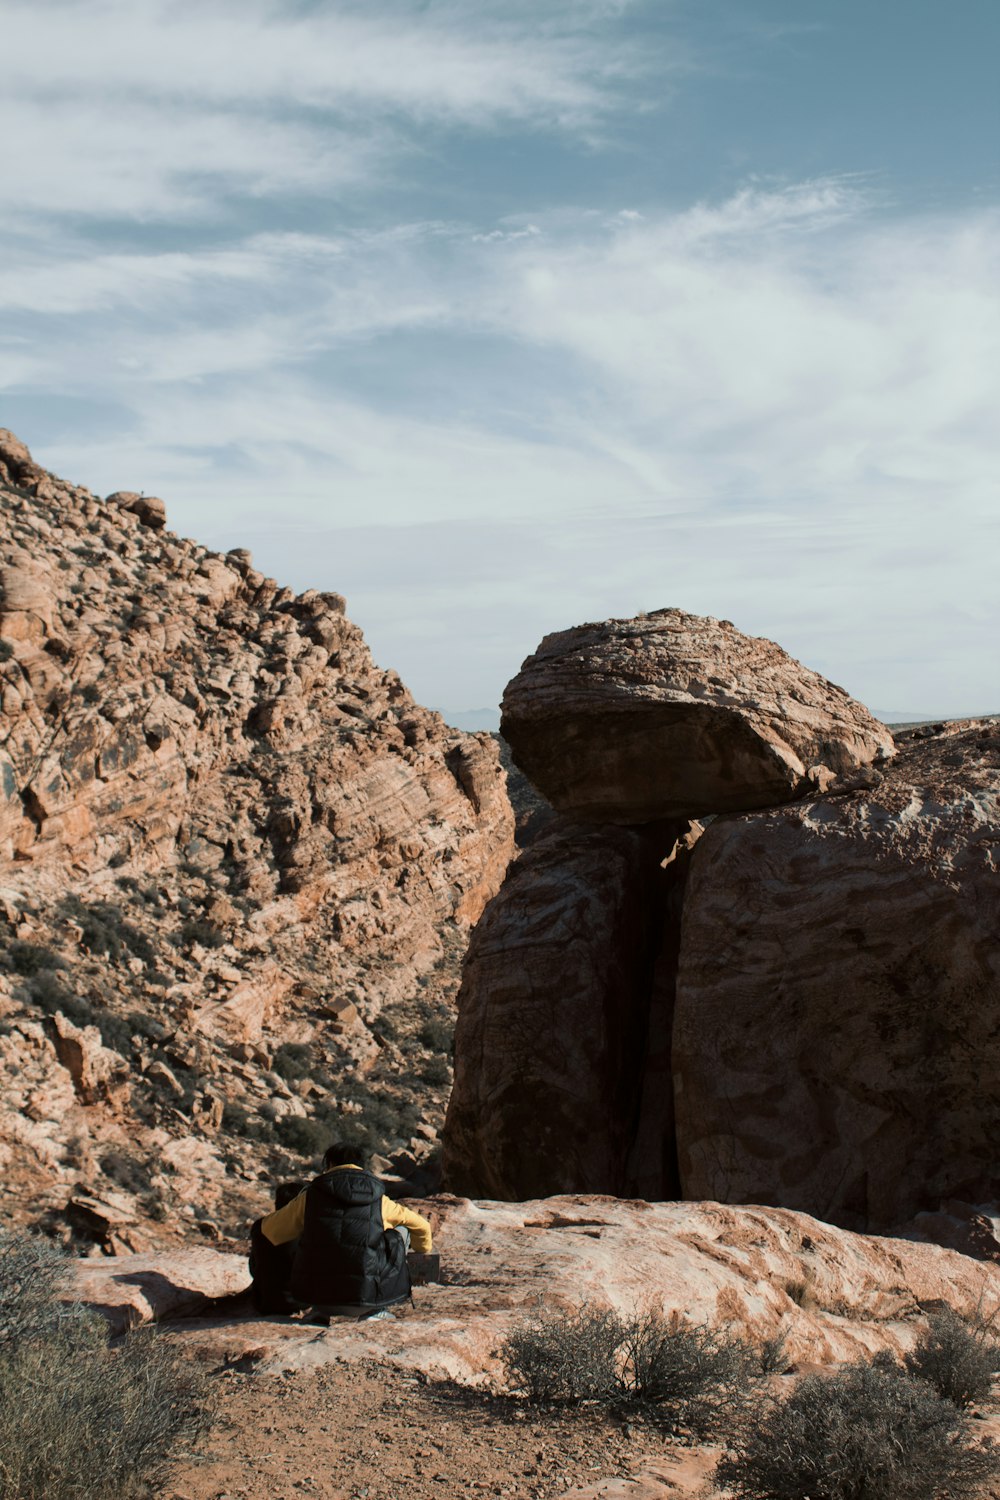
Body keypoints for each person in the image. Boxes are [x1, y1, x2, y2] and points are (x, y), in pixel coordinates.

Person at [257, 1143, 434, 1320]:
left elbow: (269, 1230)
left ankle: (319, 1312)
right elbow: (423, 1226)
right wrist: (422, 1253)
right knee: (401, 1231)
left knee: (306, 1231)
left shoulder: (310, 1196)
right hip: (366, 1299)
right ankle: (378, 1310)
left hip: (319, 1300)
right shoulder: (379, 1199)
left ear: (330, 1164)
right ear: (360, 1165)